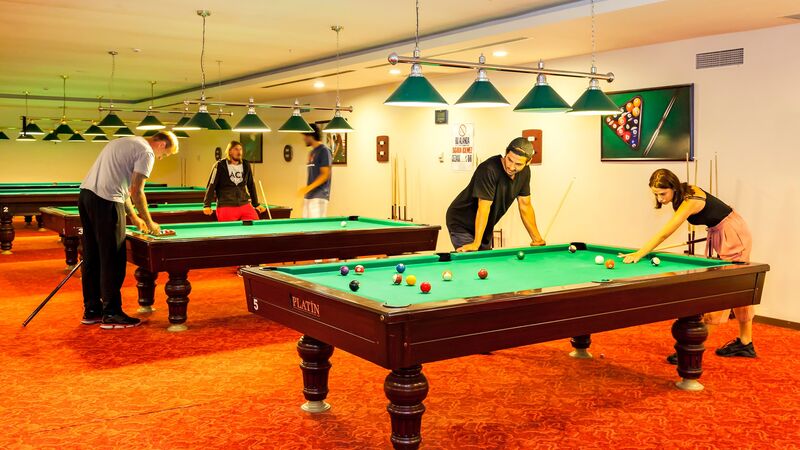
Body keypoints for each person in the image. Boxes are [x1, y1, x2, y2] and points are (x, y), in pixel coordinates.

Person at [622, 168, 756, 363]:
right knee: (738, 287)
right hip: (726, 231)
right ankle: (745, 343)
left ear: (674, 187)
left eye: (662, 194)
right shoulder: (683, 194)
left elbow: (665, 233)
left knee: (723, 290)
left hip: (733, 234)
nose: (660, 199)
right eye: (656, 194)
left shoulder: (690, 199)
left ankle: (691, 346)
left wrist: (640, 253)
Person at [79, 132, 179, 329]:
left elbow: (123, 187)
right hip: (107, 201)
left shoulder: (126, 141)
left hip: (86, 197)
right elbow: (136, 190)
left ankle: (92, 310)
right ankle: (112, 313)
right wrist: (150, 222)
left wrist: (134, 217)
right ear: (161, 144)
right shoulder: (146, 152)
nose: (161, 158)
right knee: (113, 259)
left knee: (92, 257)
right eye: (165, 154)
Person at [446, 137, 546, 252]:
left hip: (485, 226)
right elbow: (484, 208)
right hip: (462, 222)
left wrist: (537, 239)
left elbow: (525, 205)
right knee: (474, 259)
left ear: (528, 162)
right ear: (505, 153)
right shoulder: (489, 169)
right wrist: (476, 244)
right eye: (509, 160)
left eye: (518, 164)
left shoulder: (525, 172)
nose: (511, 167)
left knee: (485, 260)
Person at [203, 140, 266, 221]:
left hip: (244, 204)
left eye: (240, 149)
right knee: (229, 229)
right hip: (226, 206)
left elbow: (251, 185)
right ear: (229, 151)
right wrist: (207, 205)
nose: (239, 152)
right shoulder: (219, 165)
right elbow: (211, 185)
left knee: (255, 225)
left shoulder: (246, 164)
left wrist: (256, 204)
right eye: (236, 149)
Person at [298, 124, 333, 218]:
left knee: (316, 226)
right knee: (305, 225)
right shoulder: (311, 152)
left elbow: (325, 175)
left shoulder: (324, 150)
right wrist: (307, 191)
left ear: (310, 135)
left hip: (319, 196)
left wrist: (308, 188)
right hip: (309, 196)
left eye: (305, 136)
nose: (303, 139)